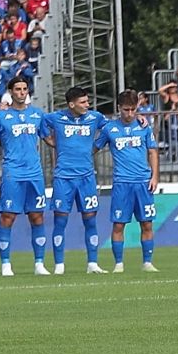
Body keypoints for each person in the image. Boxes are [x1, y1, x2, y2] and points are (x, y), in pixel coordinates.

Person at [43, 86, 108, 274]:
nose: (87, 105)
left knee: (90, 220)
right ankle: (59, 266)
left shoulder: (94, 117)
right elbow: (37, 122)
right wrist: (49, 140)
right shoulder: (56, 118)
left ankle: (93, 264)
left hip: (87, 177)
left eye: (87, 101)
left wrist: (97, 145)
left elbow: (113, 128)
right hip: (63, 177)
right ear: (71, 104)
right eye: (83, 102)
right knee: (60, 221)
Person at [0, 78, 51, 275]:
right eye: (18, 89)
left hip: (34, 173)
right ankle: (6, 264)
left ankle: (39, 263)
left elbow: (49, 138)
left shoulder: (38, 115)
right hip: (13, 173)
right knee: (8, 217)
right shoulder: (1, 117)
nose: (22, 92)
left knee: (37, 216)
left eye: (24, 89)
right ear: (10, 91)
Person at [99, 90, 161, 272]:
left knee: (147, 223)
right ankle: (118, 264)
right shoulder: (110, 129)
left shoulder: (144, 127)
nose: (130, 114)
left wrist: (155, 176)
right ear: (119, 108)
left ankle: (147, 262)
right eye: (126, 110)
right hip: (121, 183)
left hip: (143, 182)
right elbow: (94, 148)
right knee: (118, 224)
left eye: (133, 109)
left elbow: (152, 151)